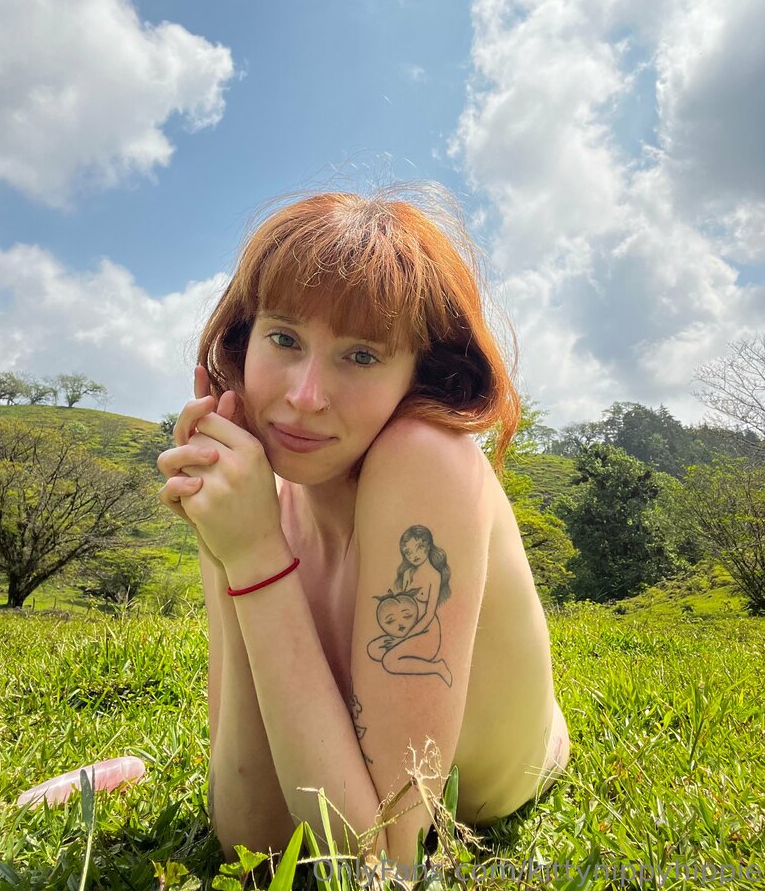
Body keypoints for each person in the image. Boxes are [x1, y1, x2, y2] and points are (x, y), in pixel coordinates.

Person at [156, 185, 570, 867]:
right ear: (239, 344)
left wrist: (256, 556)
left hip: (510, 772)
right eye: (283, 339)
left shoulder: (425, 457)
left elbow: (375, 857)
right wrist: (227, 541)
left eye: (362, 356)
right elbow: (252, 838)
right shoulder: (254, 493)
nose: (305, 396)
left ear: (420, 376)